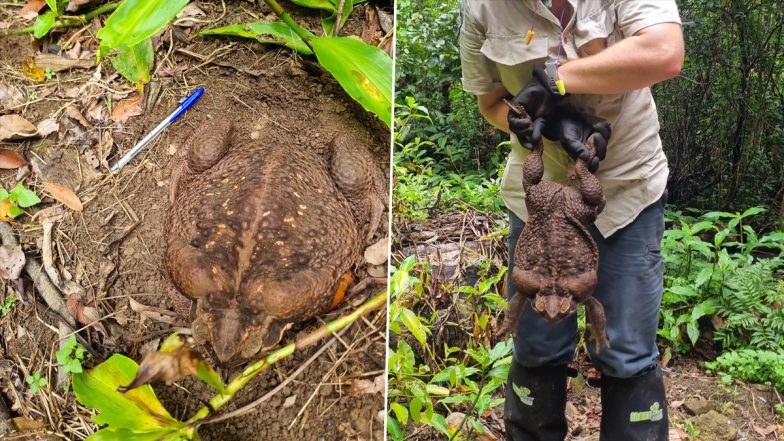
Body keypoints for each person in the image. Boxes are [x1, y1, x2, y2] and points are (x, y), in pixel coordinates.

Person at [458, 1, 684, 440]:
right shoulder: (480, 7)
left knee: (626, 351)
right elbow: (490, 102)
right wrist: (525, 121)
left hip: (625, 190)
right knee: (537, 347)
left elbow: (664, 51)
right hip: (539, 203)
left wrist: (554, 82)